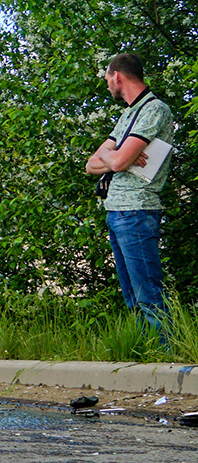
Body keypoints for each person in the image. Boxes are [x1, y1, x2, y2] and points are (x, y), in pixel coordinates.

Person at [84, 53, 174, 329]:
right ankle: (146, 359)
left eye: (107, 78)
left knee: (149, 294)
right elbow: (91, 164)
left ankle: (165, 361)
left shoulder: (153, 109)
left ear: (118, 76)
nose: (107, 84)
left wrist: (117, 157)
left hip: (137, 210)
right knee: (132, 298)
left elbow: (116, 159)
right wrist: (119, 156)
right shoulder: (128, 115)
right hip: (117, 211)